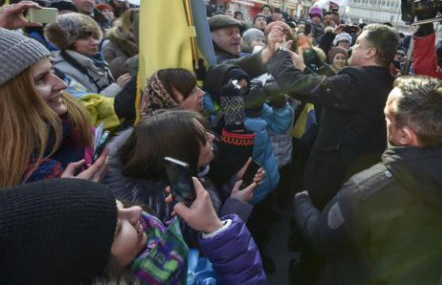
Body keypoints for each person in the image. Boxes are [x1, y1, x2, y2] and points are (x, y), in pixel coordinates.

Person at [293, 75, 442, 285]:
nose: (383, 121)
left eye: (387, 117)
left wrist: (302, 202)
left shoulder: (364, 191)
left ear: (405, 136)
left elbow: (322, 236)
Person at [0, 177, 268, 285]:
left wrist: (214, 229)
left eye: (121, 207)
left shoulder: (159, 239)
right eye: (118, 228)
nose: (137, 212)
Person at [268, 23, 398, 209]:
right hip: (357, 179)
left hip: (332, 181)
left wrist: (280, 52)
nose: (352, 47)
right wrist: (304, 68)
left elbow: (294, 84)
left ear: (370, 52)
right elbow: (330, 93)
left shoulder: (357, 81)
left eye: (358, 44)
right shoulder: (384, 81)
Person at [104, 110, 262, 238]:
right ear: (185, 154)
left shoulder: (179, 177)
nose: (212, 137)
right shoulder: (172, 215)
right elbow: (211, 248)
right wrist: (235, 205)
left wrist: (233, 184)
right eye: (204, 139)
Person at [0, 28, 108, 187]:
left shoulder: (73, 127)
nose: (62, 84)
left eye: (52, 70)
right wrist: (67, 200)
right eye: (39, 80)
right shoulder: (25, 171)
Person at [45, 12, 131, 97]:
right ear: (68, 42)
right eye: (84, 38)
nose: (94, 42)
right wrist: (117, 87)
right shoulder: (62, 71)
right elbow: (86, 104)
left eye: (94, 37)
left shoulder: (98, 61)